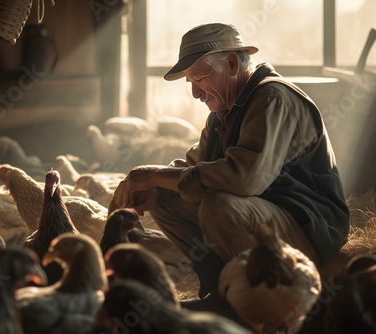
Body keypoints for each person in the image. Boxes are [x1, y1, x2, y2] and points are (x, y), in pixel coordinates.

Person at [112, 23, 350, 300]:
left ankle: (263, 299)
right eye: (191, 83)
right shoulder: (224, 112)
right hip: (268, 217)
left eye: (199, 79)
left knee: (219, 206)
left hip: (310, 229)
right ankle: (220, 290)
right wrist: (150, 182)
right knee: (163, 194)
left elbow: (244, 178)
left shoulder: (272, 98)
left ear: (233, 64)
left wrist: (153, 174)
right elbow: (194, 166)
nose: (195, 93)